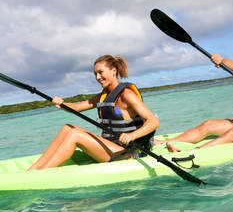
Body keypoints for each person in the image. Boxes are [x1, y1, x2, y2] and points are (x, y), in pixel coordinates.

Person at [28, 55, 159, 170]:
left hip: (128, 153)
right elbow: (77, 107)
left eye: (101, 72)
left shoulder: (126, 94)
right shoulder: (104, 95)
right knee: (68, 128)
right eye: (95, 74)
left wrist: (132, 136)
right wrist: (61, 103)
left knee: (75, 134)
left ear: (114, 71)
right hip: (113, 147)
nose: (98, 77)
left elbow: (153, 121)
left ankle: (42, 172)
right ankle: (34, 169)